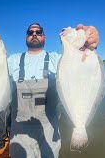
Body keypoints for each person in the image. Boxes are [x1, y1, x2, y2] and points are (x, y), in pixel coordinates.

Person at [6, 22, 99, 158]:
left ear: (44, 36)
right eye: (30, 32)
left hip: (50, 134)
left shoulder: (58, 59)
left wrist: (88, 43)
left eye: (38, 32)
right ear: (26, 37)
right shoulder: (13, 60)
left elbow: (82, 65)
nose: (34, 34)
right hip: (20, 135)